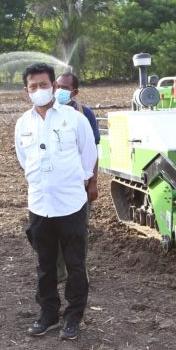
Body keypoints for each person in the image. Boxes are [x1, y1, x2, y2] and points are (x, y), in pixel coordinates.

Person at [15, 63, 97, 341]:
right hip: (39, 204)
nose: (39, 90)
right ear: (26, 90)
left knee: (75, 265)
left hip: (71, 204)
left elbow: (89, 155)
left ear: (53, 86)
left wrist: (81, 181)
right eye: (33, 86)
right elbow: (23, 159)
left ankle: (73, 317)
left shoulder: (75, 119)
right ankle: (48, 314)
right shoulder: (23, 123)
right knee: (45, 265)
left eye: (44, 84)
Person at [54, 72, 100, 283]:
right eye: (57, 86)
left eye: (64, 88)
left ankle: (78, 271)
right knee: (53, 230)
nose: (58, 91)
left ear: (74, 92)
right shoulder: (46, 112)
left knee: (79, 230)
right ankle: (57, 271)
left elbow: (92, 151)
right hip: (55, 185)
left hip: (79, 185)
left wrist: (93, 182)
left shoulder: (84, 114)